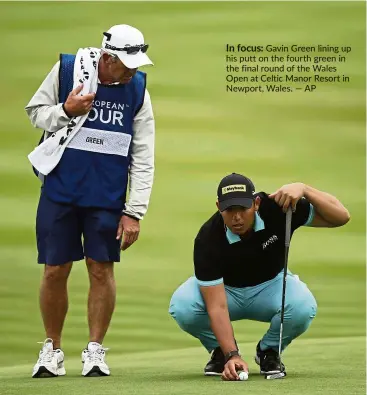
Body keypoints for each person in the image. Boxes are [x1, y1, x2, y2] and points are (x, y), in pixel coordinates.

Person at [25, 24, 155, 378]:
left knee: (101, 270)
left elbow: (143, 155)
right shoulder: (69, 70)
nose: (133, 71)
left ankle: (95, 351)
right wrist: (66, 109)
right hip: (60, 191)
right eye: (127, 64)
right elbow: (36, 112)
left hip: (107, 198)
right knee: (55, 270)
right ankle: (52, 349)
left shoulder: (139, 89)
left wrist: (134, 211)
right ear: (107, 57)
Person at [169, 173, 350, 381]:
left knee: (303, 306)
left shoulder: (278, 209)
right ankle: (221, 352)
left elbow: (341, 217)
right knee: (182, 305)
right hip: (226, 292)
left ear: (256, 203)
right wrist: (232, 354)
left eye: (243, 209)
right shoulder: (207, 238)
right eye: (230, 210)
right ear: (219, 207)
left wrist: (305, 189)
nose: (237, 217)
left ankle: (269, 350)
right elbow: (217, 306)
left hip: (270, 286)